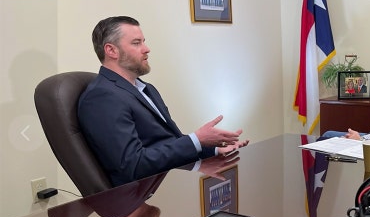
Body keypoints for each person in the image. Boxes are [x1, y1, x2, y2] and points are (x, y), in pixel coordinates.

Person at [78, 16, 248, 187]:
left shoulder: (146, 88)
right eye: (136, 43)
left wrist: (213, 150)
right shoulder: (102, 97)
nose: (146, 49)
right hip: (143, 195)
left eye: (144, 41)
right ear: (111, 51)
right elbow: (132, 165)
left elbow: (169, 141)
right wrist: (196, 139)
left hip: (173, 180)